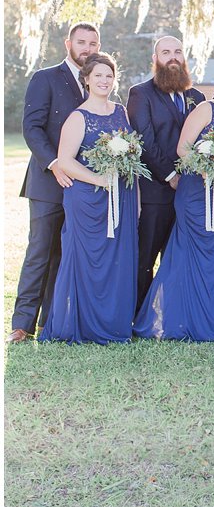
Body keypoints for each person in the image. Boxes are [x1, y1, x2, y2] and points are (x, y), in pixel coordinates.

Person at [134, 64, 214, 342]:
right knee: (189, 256)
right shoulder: (205, 109)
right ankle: (178, 321)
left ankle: (208, 322)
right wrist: (206, 168)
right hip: (195, 194)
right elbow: (183, 148)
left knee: (213, 257)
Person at [9, 22, 100, 342]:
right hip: (48, 182)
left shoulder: (99, 83)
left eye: (93, 43)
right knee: (40, 250)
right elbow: (32, 127)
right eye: (81, 42)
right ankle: (22, 324)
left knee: (66, 253)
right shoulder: (45, 78)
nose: (87, 48)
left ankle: (52, 321)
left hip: (84, 187)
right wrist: (55, 163)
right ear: (68, 44)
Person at [39, 53, 139, 344]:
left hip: (122, 196)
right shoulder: (77, 117)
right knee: (87, 259)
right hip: (88, 198)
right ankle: (79, 323)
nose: (104, 81)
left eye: (109, 76)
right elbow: (65, 161)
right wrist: (99, 180)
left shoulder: (121, 112)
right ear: (86, 79)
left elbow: (131, 155)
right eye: (98, 76)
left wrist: (136, 200)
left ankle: (113, 323)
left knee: (116, 259)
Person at [126, 36, 205, 312]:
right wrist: (171, 175)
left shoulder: (197, 97)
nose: (173, 57)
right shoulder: (141, 93)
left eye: (178, 52)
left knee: (180, 256)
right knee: (145, 257)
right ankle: (138, 313)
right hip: (156, 193)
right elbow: (144, 139)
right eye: (166, 52)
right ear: (155, 58)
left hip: (191, 193)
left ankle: (174, 312)